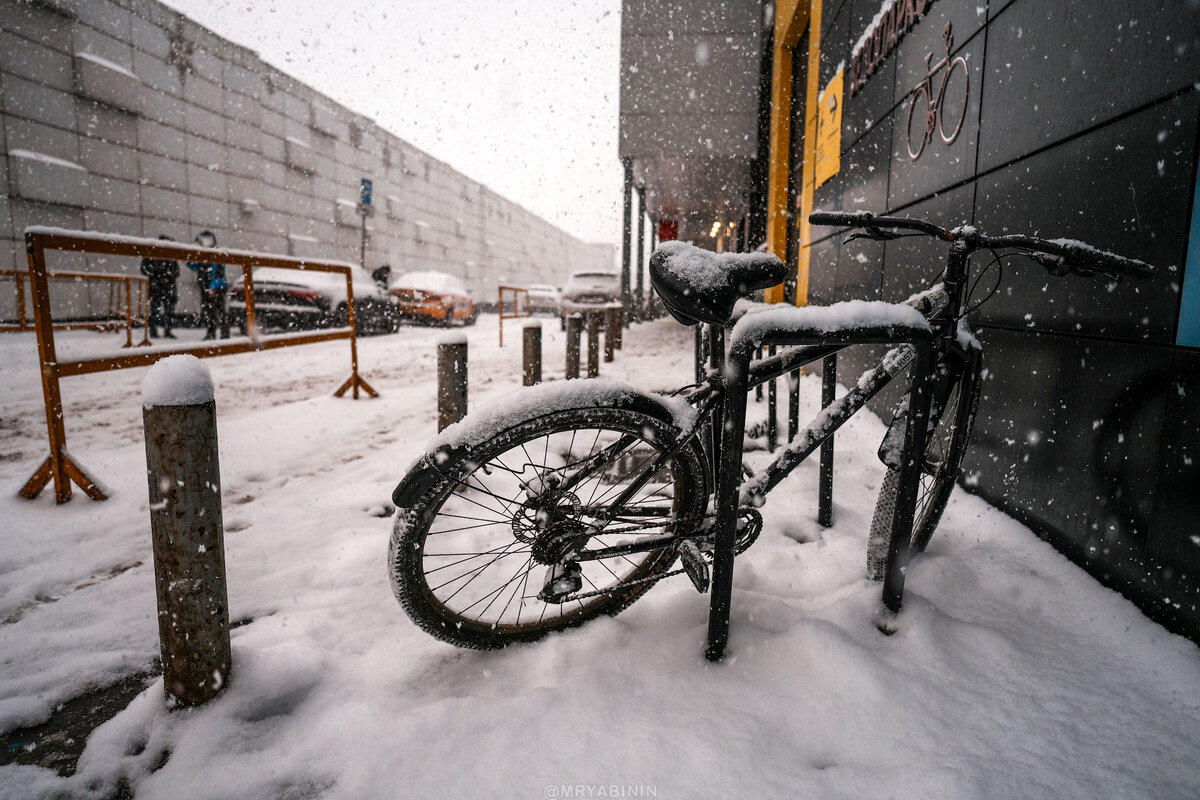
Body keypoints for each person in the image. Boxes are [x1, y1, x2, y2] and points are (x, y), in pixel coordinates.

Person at [187, 230, 229, 340]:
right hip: (206, 286)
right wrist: (188, 260)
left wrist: (213, 287)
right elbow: (196, 266)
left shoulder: (215, 254)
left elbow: (219, 273)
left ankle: (223, 334)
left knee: (218, 311)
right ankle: (212, 333)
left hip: (216, 288)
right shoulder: (205, 255)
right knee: (209, 312)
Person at [140, 235, 179, 339]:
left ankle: (165, 330)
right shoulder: (153, 253)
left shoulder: (168, 255)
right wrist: (160, 274)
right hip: (159, 288)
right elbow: (144, 269)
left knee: (166, 311)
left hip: (161, 287)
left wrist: (161, 274)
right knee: (157, 311)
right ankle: (156, 330)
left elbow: (176, 271)